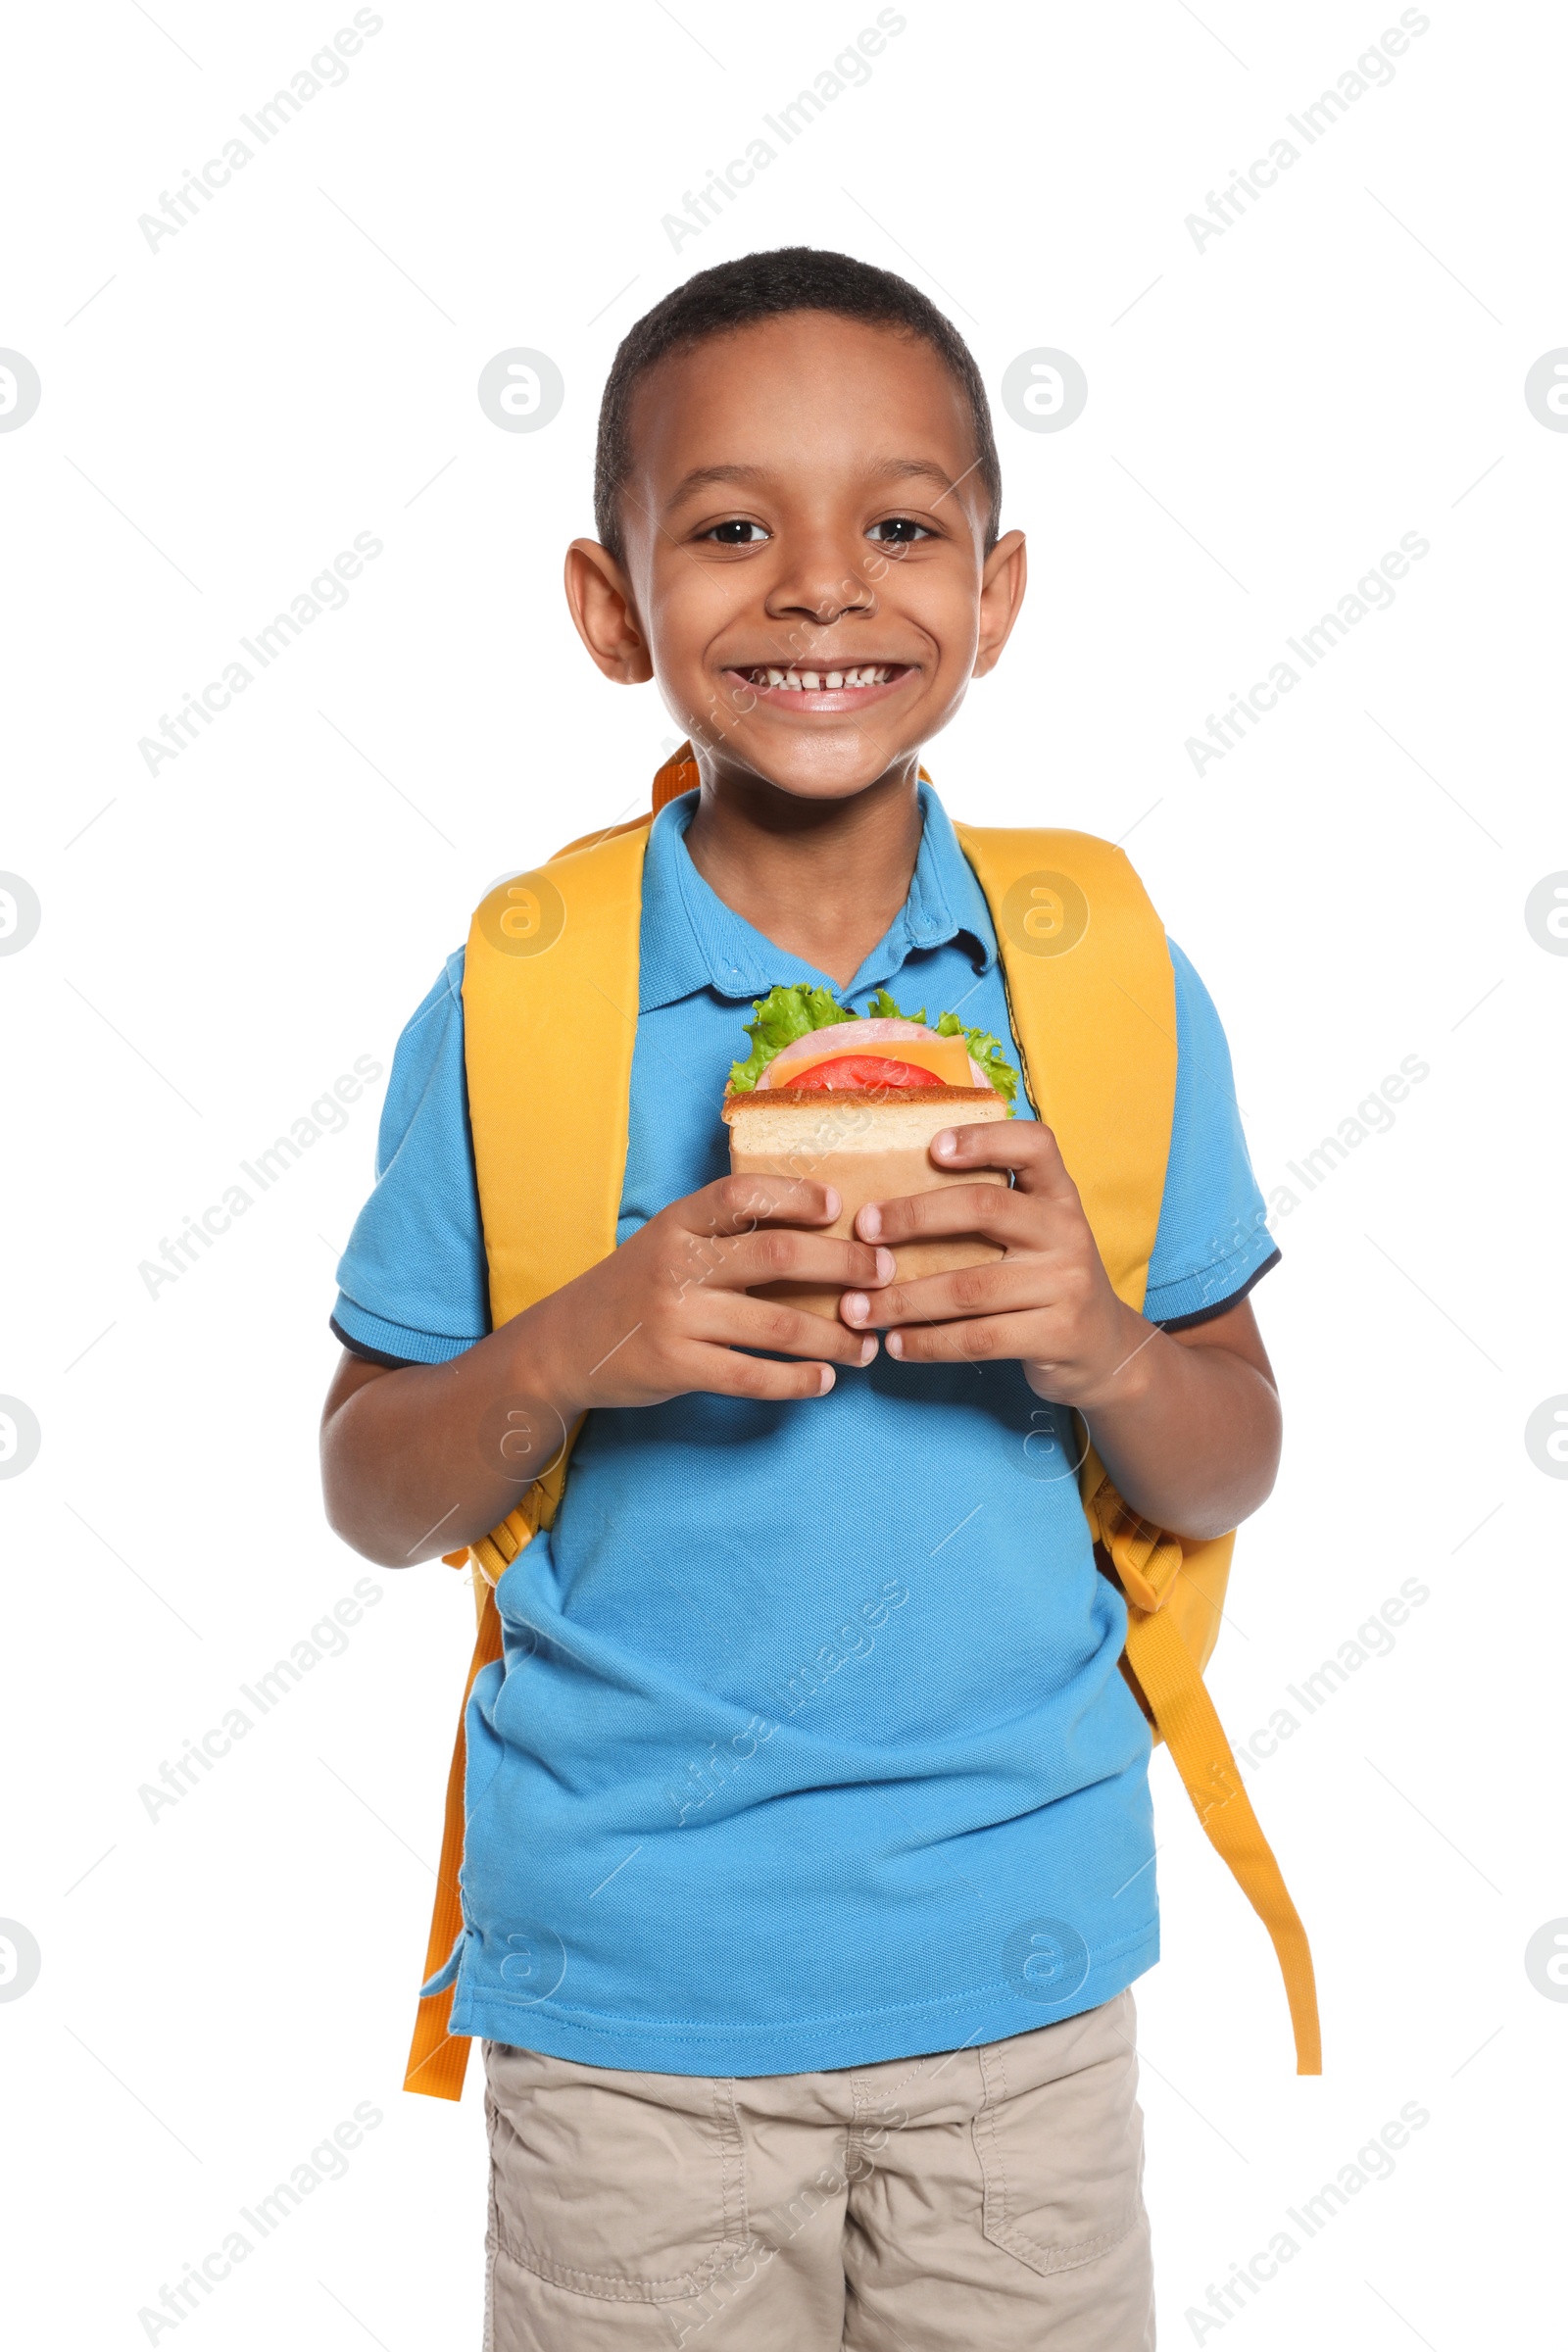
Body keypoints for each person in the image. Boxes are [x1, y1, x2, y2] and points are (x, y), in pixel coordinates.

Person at [319, 246, 1283, 2352]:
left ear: (996, 595)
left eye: (901, 527)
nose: (821, 588)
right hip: (628, 2005)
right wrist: (588, 1333)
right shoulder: (516, 994)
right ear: (610, 605)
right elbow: (374, 1492)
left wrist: (1101, 1342)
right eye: (732, 526)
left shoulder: (1093, 966)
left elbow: (1223, 1465)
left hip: (1018, 1973)